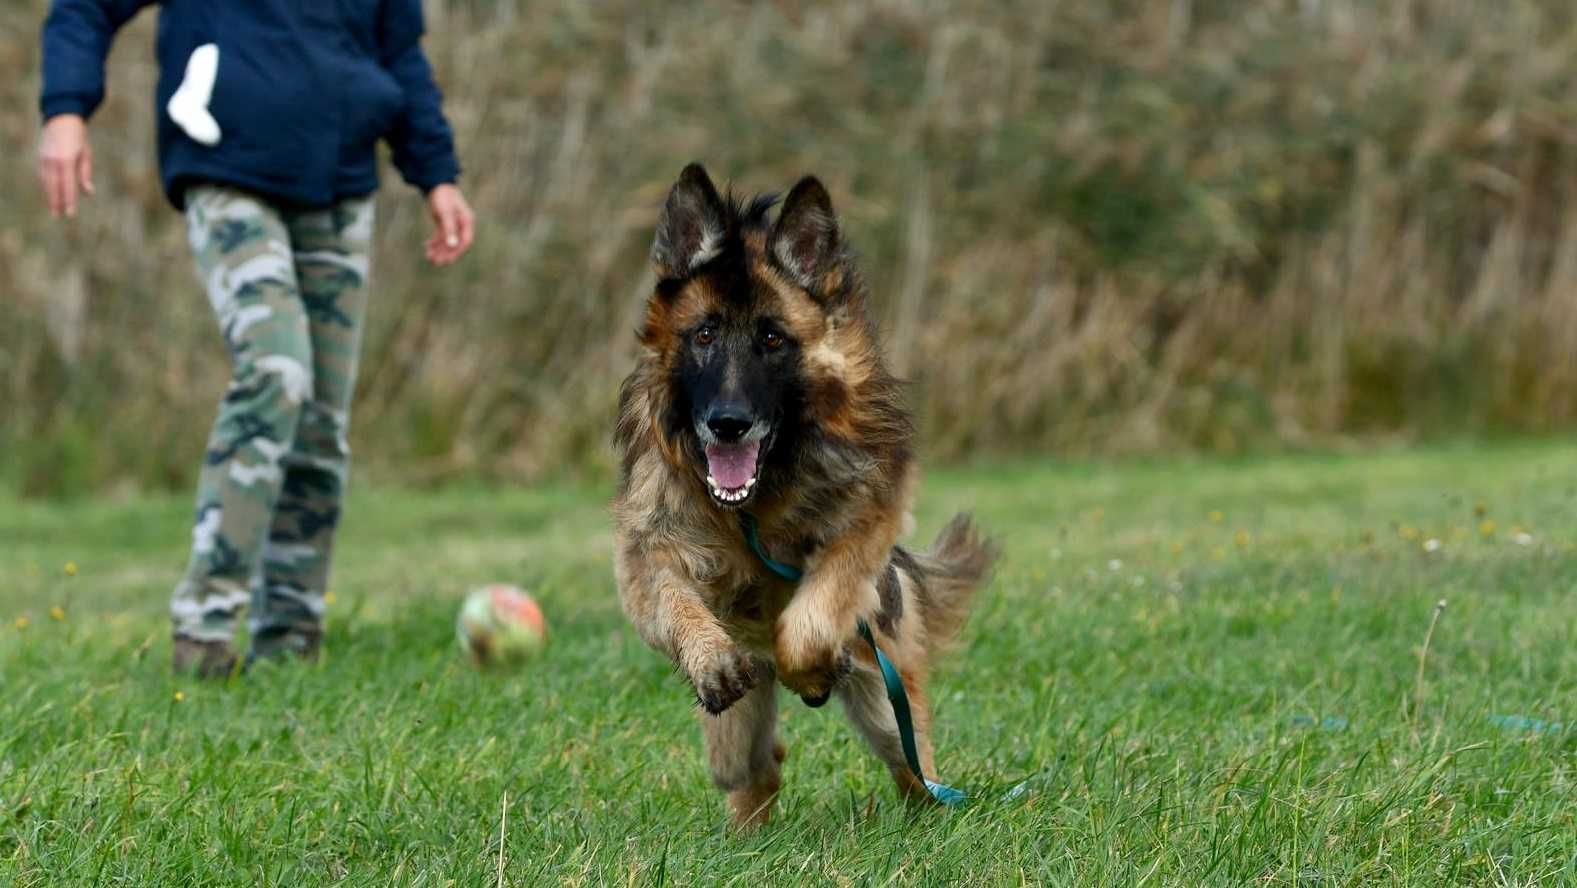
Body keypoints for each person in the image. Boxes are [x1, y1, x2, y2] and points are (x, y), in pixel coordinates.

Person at [38, 1, 477, 677]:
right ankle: (204, 629)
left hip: (339, 186)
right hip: (227, 166)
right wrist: (65, 110)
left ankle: (290, 646)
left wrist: (437, 174)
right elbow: (83, 9)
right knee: (277, 374)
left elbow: (402, 58)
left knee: (322, 423)